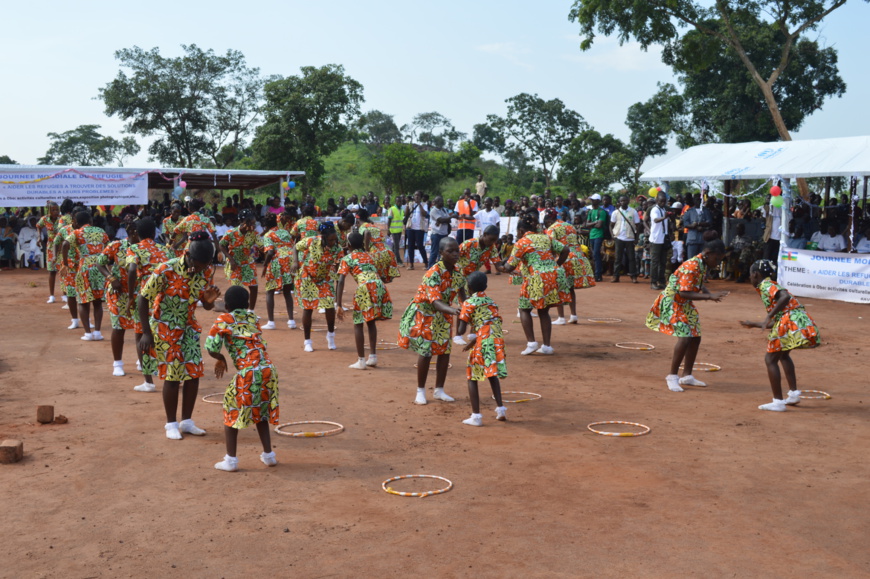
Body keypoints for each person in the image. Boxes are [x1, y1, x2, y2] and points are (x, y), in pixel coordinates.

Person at [137, 231, 221, 439]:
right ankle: (171, 424)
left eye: (206, 265)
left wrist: (209, 301)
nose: (202, 269)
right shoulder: (166, 269)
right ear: (189, 257)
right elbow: (143, 298)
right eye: (200, 265)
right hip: (165, 327)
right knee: (173, 376)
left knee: (193, 373)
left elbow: (206, 305)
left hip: (189, 326)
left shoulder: (204, 271)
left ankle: (187, 421)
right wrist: (146, 333)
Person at [206, 285, 279, 471]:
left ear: (227, 306)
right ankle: (269, 455)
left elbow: (212, 347)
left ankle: (230, 460)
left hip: (248, 372)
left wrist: (220, 358)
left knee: (230, 408)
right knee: (260, 410)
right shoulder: (253, 317)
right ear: (247, 304)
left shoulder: (224, 318)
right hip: (268, 369)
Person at [646, 239, 730, 393]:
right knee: (685, 337)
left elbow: (695, 283)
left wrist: (706, 292)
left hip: (683, 303)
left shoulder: (702, 264)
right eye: (716, 259)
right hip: (674, 302)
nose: (717, 262)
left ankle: (687, 375)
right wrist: (709, 297)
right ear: (708, 254)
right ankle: (672, 376)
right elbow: (683, 292)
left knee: (695, 336)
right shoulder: (692, 266)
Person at [740, 260, 820, 412]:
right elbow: (779, 317)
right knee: (783, 355)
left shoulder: (766, 285)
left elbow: (784, 298)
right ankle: (794, 394)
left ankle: (778, 402)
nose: (750, 278)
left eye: (750, 275)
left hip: (789, 320)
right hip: (794, 319)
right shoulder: (769, 285)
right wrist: (756, 324)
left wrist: (769, 316)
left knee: (770, 359)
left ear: (755, 274)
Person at [398, 237, 466, 405]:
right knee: (426, 351)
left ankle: (439, 390)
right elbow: (435, 302)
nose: (455, 254)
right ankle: (420, 391)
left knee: (444, 351)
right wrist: (456, 311)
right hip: (425, 314)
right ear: (441, 253)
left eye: (457, 250)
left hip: (444, 314)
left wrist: (467, 307)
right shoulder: (433, 273)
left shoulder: (458, 271)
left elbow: (462, 295)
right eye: (450, 251)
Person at [496, 217, 570, 355]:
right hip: (553, 276)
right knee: (543, 310)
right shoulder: (545, 238)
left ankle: (531, 343)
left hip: (536, 277)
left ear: (521, 230)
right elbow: (565, 249)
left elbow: (509, 266)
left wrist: (500, 267)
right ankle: (547, 346)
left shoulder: (522, 242)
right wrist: (555, 265)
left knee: (524, 308)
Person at [455, 272, 506, 427]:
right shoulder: (491, 301)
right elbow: (490, 325)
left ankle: (476, 416)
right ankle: (501, 409)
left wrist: (460, 315)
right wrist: (472, 343)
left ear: (468, 288)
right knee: (492, 374)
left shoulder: (469, 303)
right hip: (496, 341)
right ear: (486, 286)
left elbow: (461, 330)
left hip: (483, 342)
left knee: (472, 377)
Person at [336, 232, 393, 370]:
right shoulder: (370, 255)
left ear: (348, 245)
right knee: (371, 321)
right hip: (378, 285)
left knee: (358, 323)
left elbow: (341, 280)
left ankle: (361, 360)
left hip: (364, 286)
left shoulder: (347, 258)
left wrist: (338, 304)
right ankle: (372, 357)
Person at [126, 217, 170, 393]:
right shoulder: (164, 250)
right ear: (154, 233)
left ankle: (148, 382)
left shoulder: (134, 248)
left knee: (141, 335)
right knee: (167, 334)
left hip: (144, 294)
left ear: (137, 233)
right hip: (165, 294)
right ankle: (172, 374)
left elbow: (130, 270)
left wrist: (130, 296)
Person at [97, 216, 139, 377]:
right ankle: (118, 363)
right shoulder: (116, 246)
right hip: (118, 292)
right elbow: (100, 263)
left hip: (139, 293)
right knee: (119, 327)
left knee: (140, 329)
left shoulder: (145, 248)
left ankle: (143, 361)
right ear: (129, 232)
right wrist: (111, 278)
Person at [292, 222, 343, 352]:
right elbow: (295, 247)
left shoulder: (337, 249)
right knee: (308, 308)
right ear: (323, 237)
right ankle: (307, 341)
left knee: (329, 306)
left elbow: (338, 266)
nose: (333, 242)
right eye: (330, 240)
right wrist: (295, 262)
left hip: (324, 278)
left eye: (334, 239)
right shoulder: (311, 241)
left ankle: (330, 336)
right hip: (307, 277)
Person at [63, 211, 109, 341]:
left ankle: (88, 333)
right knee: (98, 301)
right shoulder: (101, 231)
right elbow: (108, 246)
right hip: (100, 267)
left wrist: (65, 264)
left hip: (85, 267)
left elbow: (65, 244)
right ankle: (98, 332)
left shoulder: (77, 233)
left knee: (83, 301)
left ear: (76, 222)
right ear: (91, 220)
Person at [543, 210, 595, 325]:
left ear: (548, 221)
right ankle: (573, 315)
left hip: (564, 258)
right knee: (570, 288)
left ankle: (561, 317)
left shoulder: (552, 228)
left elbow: (551, 245)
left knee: (559, 287)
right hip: (577, 257)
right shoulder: (570, 225)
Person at [220, 209, 263, 311]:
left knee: (254, 286)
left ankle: (251, 311)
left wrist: (268, 252)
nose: (254, 226)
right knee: (237, 290)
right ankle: (235, 311)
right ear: (244, 222)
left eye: (254, 223)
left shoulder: (254, 233)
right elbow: (221, 245)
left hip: (247, 262)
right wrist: (230, 259)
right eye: (251, 223)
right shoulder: (231, 233)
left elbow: (262, 246)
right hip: (234, 263)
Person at [261, 212, 296, 330]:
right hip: (289, 261)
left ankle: (271, 322)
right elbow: (292, 245)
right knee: (287, 291)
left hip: (277, 262)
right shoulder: (285, 232)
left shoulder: (268, 235)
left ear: (265, 225)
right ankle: (291, 321)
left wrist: (265, 265)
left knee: (270, 291)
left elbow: (270, 252)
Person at [37, 201, 69, 302]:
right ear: (49, 210)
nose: (55, 212)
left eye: (57, 210)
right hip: (51, 247)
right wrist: (39, 236)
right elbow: (38, 226)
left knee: (63, 270)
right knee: (51, 271)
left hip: (61, 246)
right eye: (53, 210)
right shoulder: (45, 219)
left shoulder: (62, 219)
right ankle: (52, 295)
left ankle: (64, 294)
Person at [358, 208, 400, 283]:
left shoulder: (363, 227)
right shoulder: (374, 226)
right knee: (382, 280)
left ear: (357, 219)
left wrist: (367, 249)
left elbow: (367, 233)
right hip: (387, 252)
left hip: (376, 253)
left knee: (372, 279)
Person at [610, 195, 640, 283]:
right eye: (621, 201)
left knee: (631, 258)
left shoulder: (633, 211)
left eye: (625, 200)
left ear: (628, 201)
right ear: (619, 202)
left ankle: (633, 276)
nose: (623, 202)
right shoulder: (615, 212)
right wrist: (612, 234)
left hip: (630, 238)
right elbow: (611, 225)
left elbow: (638, 225)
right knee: (618, 258)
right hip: (619, 237)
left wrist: (636, 237)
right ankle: (616, 276)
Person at [648, 192, 671, 290]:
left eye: (664, 201)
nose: (663, 203)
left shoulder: (664, 209)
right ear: (657, 200)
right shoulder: (655, 209)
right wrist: (664, 217)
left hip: (663, 239)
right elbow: (656, 220)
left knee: (663, 262)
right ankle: (653, 282)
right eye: (661, 201)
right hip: (656, 239)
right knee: (655, 262)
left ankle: (661, 281)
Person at [583, 194, 608, 282]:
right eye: (592, 199)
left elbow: (600, 225)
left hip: (599, 235)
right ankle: (596, 273)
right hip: (592, 235)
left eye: (594, 200)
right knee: (594, 255)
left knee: (596, 254)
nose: (592, 201)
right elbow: (587, 224)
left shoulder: (602, 212)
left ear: (598, 201)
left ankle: (598, 274)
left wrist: (592, 224)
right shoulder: (590, 211)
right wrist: (595, 222)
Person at [427, 196, 453, 268]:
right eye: (440, 201)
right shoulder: (433, 211)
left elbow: (447, 220)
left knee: (442, 252)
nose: (442, 202)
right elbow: (441, 220)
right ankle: (430, 267)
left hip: (444, 234)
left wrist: (445, 219)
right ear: (435, 202)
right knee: (434, 252)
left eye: (442, 201)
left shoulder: (444, 210)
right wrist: (448, 218)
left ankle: (440, 267)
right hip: (436, 234)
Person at [405, 191, 428, 270]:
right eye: (415, 195)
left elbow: (424, 214)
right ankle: (411, 265)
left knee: (420, 246)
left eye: (418, 195)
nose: (417, 197)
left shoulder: (424, 205)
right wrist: (407, 205)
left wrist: (419, 204)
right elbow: (406, 214)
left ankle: (426, 263)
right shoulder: (411, 204)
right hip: (410, 228)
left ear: (421, 197)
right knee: (410, 246)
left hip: (419, 229)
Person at [386, 196, 405, 265]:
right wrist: (388, 229)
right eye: (398, 201)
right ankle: (399, 260)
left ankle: (392, 259)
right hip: (393, 230)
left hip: (399, 230)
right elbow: (389, 220)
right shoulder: (392, 209)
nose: (399, 203)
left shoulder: (402, 209)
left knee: (395, 245)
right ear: (395, 202)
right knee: (397, 246)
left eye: (400, 201)